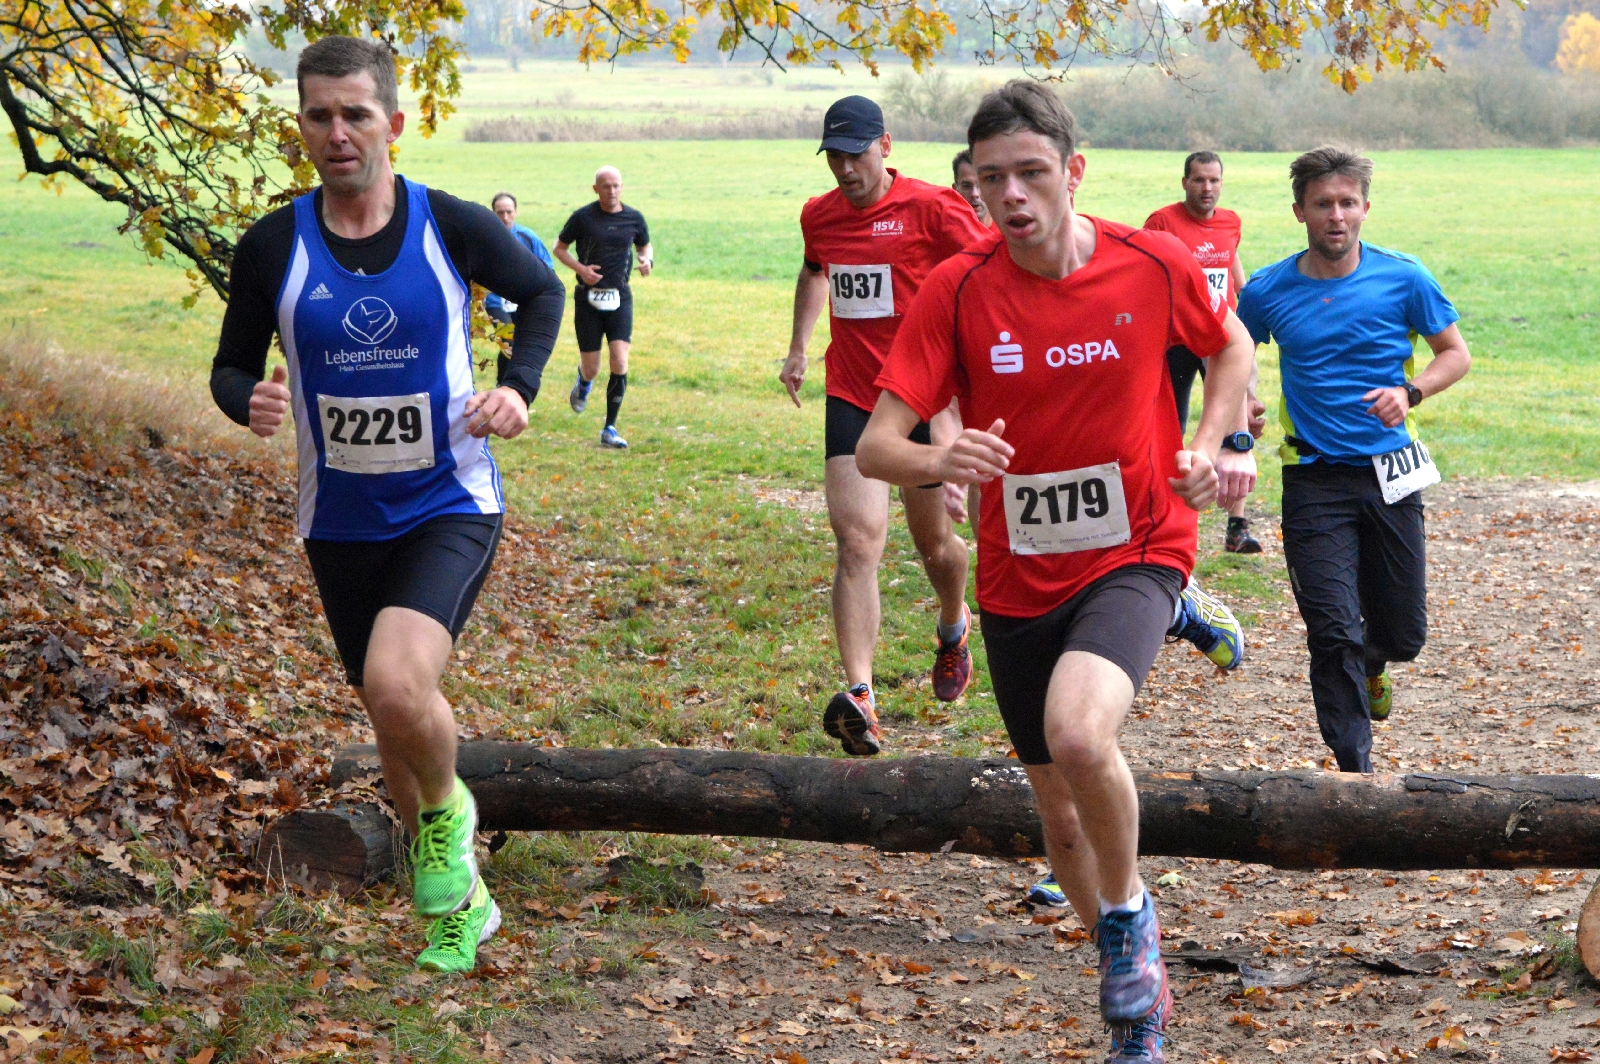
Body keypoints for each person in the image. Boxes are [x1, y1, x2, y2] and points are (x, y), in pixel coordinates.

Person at [856, 80, 1258, 1062]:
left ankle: (1128, 920)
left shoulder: (1149, 261)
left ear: (1073, 171)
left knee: (1079, 733)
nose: (1011, 195)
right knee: (1057, 814)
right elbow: (874, 447)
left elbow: (1231, 347)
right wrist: (940, 457)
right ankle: (1135, 1004)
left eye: (1031, 173)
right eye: (991, 178)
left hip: (1139, 543)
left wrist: (1213, 444)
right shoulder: (958, 289)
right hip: (1019, 574)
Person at [208, 36, 564, 973]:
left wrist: (518, 387)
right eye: (319, 115)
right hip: (339, 520)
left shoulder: (449, 225)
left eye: (356, 114)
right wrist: (246, 400)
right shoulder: (273, 245)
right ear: (301, 126)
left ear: (393, 123)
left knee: (398, 684)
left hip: (449, 499)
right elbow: (231, 363)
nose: (338, 132)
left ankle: (450, 820)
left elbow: (541, 293)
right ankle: (459, 904)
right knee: (391, 721)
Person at [1237, 147, 1470, 772]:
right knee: (1331, 629)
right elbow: (1231, 353)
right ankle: (1355, 772)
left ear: (1365, 208)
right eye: (1322, 204)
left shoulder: (1405, 278)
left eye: (1347, 203)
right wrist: (1245, 403)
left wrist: (1411, 392)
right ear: (1299, 212)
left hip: (1391, 471)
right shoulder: (1267, 290)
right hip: (1313, 477)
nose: (1335, 215)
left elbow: (1456, 354)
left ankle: (1375, 663)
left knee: (1403, 634)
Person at [778, 95, 991, 757]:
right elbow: (815, 270)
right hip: (852, 394)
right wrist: (798, 347)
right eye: (834, 157)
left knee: (936, 547)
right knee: (857, 543)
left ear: (886, 146)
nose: (845, 169)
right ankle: (861, 698)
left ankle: (953, 625)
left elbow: (989, 277)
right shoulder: (819, 215)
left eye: (856, 155)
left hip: (921, 400)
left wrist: (962, 399)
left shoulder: (934, 209)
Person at [1144, 151, 1268, 554]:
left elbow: (1231, 264)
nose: (1207, 188)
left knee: (1240, 427)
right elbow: (1148, 275)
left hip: (1224, 341)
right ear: (1185, 182)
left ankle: (1237, 527)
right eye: (1198, 180)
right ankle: (1166, 519)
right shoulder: (1162, 222)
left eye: (1214, 180)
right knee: (1171, 428)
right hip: (1179, 339)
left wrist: (1248, 300)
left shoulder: (1231, 221)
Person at [553, 167, 652, 449]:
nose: (612, 191)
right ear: (596, 189)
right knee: (592, 367)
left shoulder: (634, 218)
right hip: (588, 299)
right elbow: (559, 249)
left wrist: (647, 261)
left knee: (619, 361)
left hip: (620, 296)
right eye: (606, 186)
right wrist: (581, 270)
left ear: (622, 187)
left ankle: (610, 427)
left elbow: (645, 246)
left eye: (616, 185)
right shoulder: (582, 217)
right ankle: (584, 382)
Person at [484, 191, 555, 386]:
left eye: (509, 212)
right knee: (509, 342)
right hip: (495, 302)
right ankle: (505, 385)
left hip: (524, 300)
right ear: (493, 213)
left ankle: (508, 385)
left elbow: (547, 268)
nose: (505, 217)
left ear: (516, 212)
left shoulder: (527, 236)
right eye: (500, 212)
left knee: (522, 345)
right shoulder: (485, 238)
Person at [951, 148, 991, 227]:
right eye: (966, 186)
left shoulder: (1009, 230)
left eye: (981, 185)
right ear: (955, 190)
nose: (974, 194)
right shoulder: (946, 231)